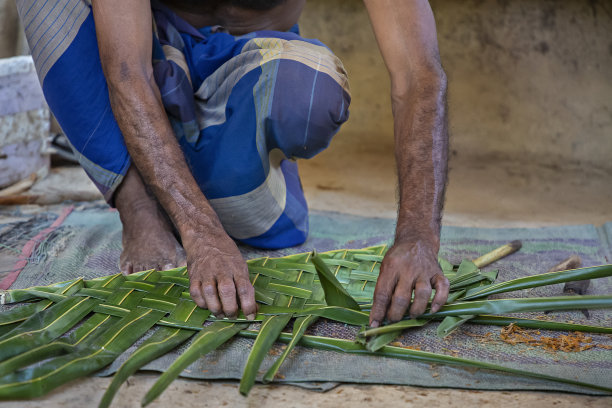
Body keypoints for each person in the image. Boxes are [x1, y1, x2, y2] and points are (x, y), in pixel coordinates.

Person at [16, 0, 449, 327]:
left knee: (311, 90)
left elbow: (418, 74)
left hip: (245, 72)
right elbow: (126, 69)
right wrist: (201, 234)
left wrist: (417, 237)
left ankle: (224, 188)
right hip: (150, 62)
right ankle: (141, 208)